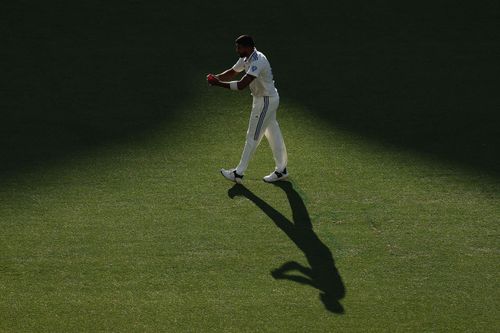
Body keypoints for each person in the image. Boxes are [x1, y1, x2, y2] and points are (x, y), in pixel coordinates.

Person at [207, 35, 288, 184]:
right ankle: (281, 170)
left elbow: (241, 85)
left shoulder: (258, 60)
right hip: (265, 99)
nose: (237, 50)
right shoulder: (245, 58)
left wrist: (218, 84)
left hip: (265, 101)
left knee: (252, 137)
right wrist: (216, 78)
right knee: (273, 133)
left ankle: (238, 173)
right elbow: (232, 72)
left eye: (239, 47)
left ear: (248, 47)